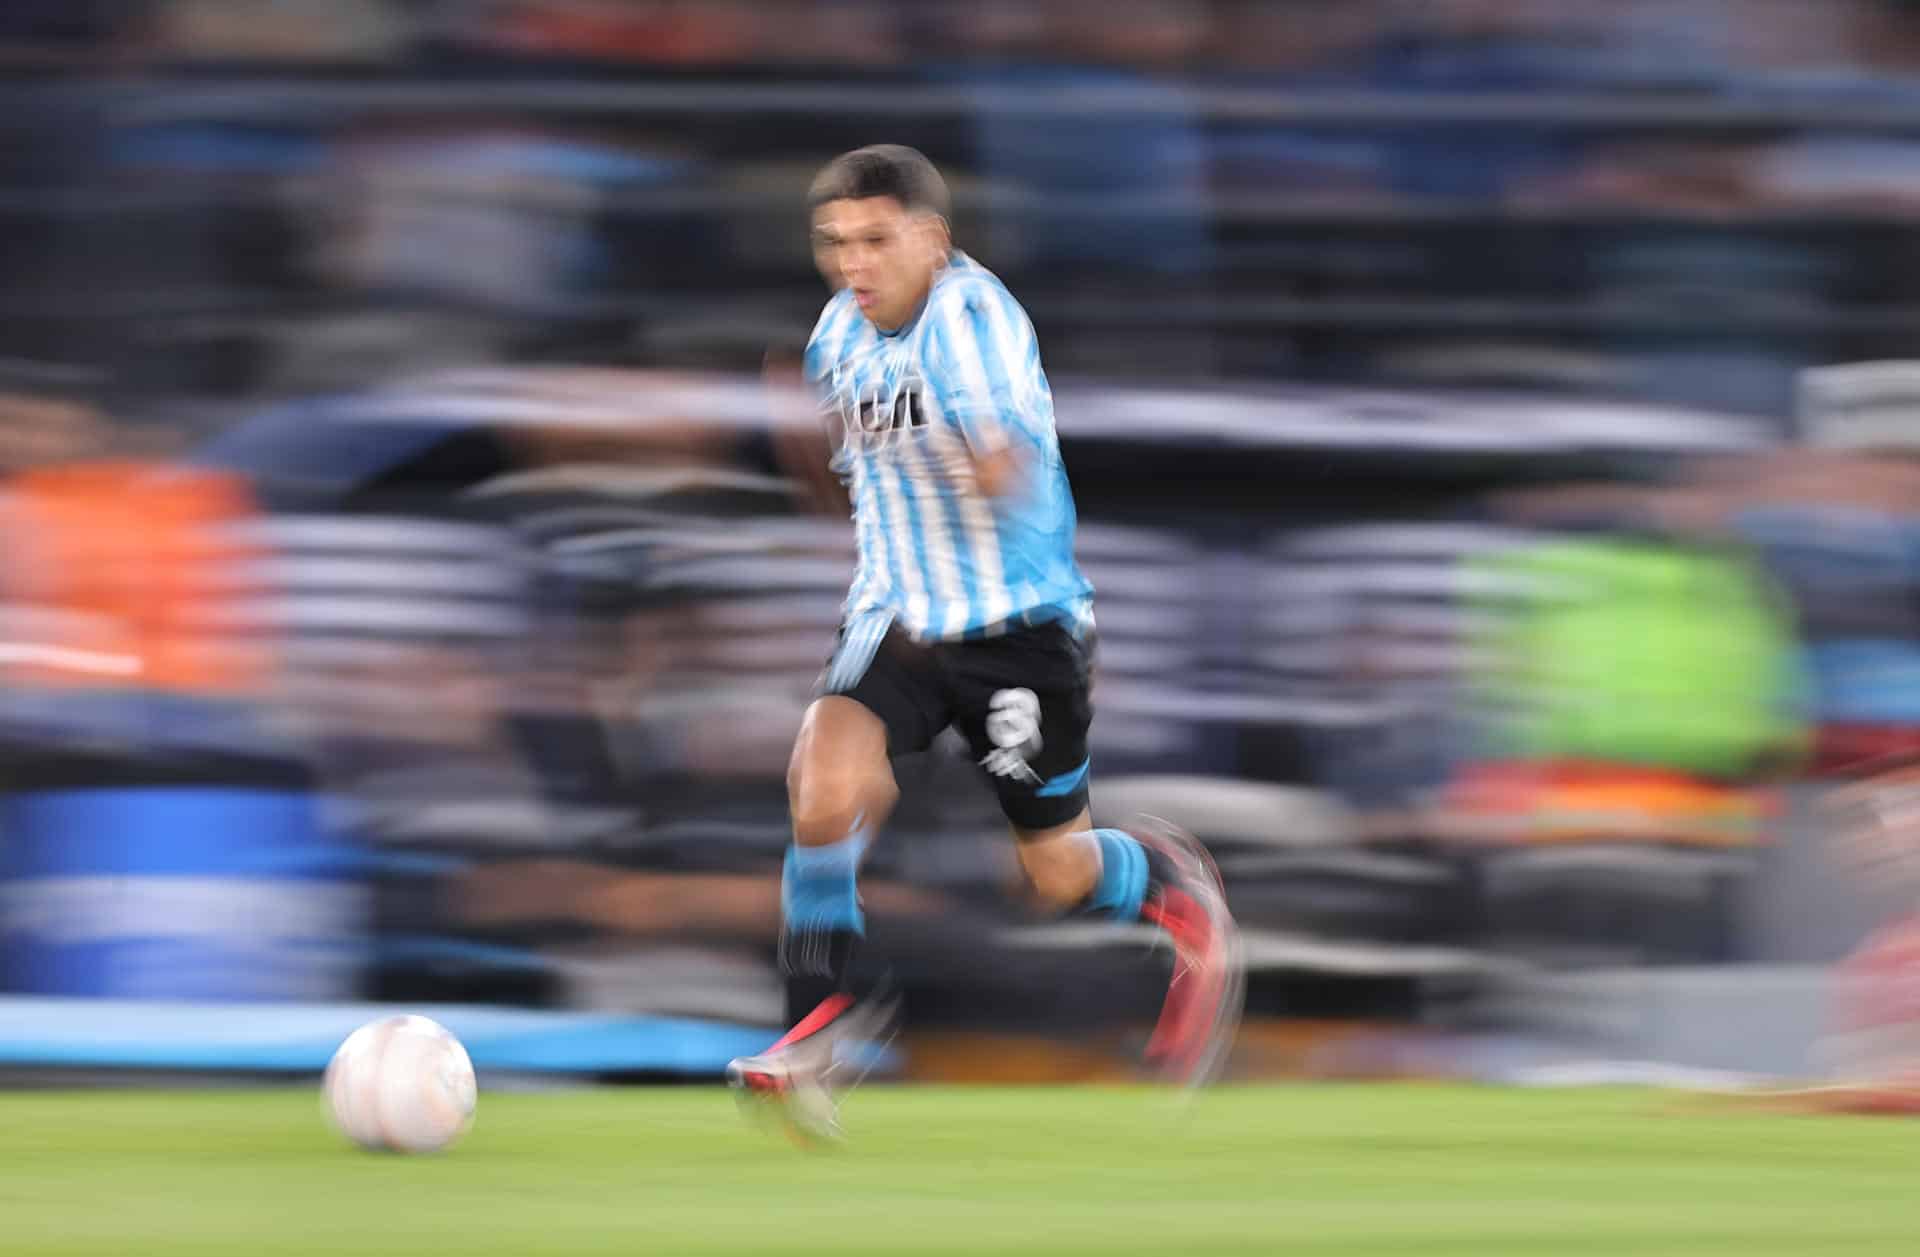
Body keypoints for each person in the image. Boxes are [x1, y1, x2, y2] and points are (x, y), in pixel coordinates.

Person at [727, 145, 1240, 1139]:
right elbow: (859, 487)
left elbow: (1007, 473)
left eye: (875, 239)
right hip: (900, 621)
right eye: (835, 243)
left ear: (931, 237)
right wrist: (808, 450)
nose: (853, 263)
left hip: (1016, 631)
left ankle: (1174, 891)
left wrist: (976, 463)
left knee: (1055, 872)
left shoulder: (973, 324)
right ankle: (811, 1033)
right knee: (823, 780)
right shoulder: (839, 336)